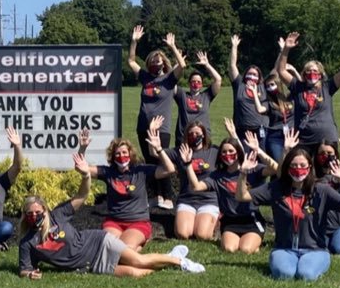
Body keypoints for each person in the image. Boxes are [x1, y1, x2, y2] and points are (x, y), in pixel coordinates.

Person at [19, 155, 205, 279]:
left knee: (139, 261)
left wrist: (85, 176)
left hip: (98, 242)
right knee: (135, 273)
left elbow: (81, 196)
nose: (35, 216)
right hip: (88, 265)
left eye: (38, 212)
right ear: (25, 216)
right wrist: (29, 275)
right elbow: (25, 269)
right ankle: (168, 258)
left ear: (44, 210)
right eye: (30, 214)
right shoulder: (27, 242)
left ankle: (181, 262)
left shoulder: (57, 215)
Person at [234, 148, 340, 281]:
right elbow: (242, 196)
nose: (298, 169)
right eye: (293, 165)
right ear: (287, 167)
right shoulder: (276, 188)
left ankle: (314, 262)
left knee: (306, 275)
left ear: (309, 167)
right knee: (285, 274)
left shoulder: (321, 190)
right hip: (284, 248)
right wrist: (243, 173)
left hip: (315, 250)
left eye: (302, 165)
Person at [77, 116, 177, 250]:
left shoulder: (141, 171)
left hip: (138, 222)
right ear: (112, 157)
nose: (121, 156)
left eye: (124, 152)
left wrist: (159, 149)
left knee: (125, 248)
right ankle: (138, 247)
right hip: (114, 222)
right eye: (117, 154)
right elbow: (81, 167)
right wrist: (82, 148)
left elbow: (170, 169)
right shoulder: (108, 172)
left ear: (130, 154)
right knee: (108, 247)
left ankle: (136, 245)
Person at [273, 29, 340, 147]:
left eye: (315, 71)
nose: (312, 73)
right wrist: (286, 49)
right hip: (303, 141)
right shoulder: (297, 87)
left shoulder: (328, 87)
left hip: (326, 140)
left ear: (321, 74)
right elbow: (281, 71)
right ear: (304, 74)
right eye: (308, 71)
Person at [127, 25, 183, 210]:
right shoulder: (145, 78)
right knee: (150, 163)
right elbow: (131, 61)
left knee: (161, 160)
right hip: (143, 126)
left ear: (164, 63)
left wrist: (173, 47)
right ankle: (156, 196)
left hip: (161, 128)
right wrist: (134, 42)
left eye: (159, 61)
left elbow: (182, 65)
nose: (156, 63)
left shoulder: (168, 79)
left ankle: (168, 197)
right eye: (153, 60)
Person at [203, 134, 268, 254]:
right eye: (224, 152)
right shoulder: (217, 175)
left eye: (231, 151)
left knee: (245, 249)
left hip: (251, 219)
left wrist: (258, 151)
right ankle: (248, 243)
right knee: (229, 249)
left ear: (238, 152)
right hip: (231, 221)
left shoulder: (252, 168)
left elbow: (276, 170)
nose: (227, 154)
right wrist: (187, 165)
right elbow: (196, 187)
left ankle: (255, 243)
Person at [171, 124, 219, 241]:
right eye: (191, 133)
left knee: (202, 235)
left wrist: (233, 135)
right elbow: (156, 154)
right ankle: (191, 220)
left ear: (204, 135)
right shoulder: (180, 151)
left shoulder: (214, 151)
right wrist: (157, 147)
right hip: (187, 199)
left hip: (208, 200)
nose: (194, 136)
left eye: (197, 133)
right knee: (183, 234)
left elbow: (237, 156)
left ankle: (216, 222)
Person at [173, 51, 222, 147]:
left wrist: (207, 65)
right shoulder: (181, 95)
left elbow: (218, 80)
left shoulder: (206, 95)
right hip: (184, 138)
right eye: (193, 81)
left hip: (203, 138)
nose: (196, 84)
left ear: (202, 84)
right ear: (189, 83)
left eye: (199, 82)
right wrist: (177, 65)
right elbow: (171, 82)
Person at [228, 35, 269, 145]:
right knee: (244, 159)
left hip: (260, 129)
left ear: (259, 77)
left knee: (262, 159)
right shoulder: (239, 85)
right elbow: (232, 66)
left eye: (255, 74)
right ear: (245, 75)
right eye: (249, 74)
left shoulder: (263, 87)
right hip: (242, 130)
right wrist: (234, 46)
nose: (252, 76)